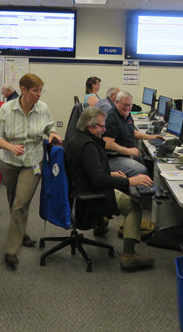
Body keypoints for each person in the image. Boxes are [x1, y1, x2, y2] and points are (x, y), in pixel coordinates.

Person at [66, 107, 155, 270]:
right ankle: (128, 256)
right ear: (90, 126)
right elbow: (99, 180)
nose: (104, 129)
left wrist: (111, 173)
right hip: (92, 193)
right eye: (101, 126)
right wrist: (130, 181)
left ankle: (101, 222)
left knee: (122, 185)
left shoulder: (76, 139)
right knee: (133, 206)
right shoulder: (89, 147)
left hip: (80, 188)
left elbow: (89, 171)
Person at [0, 73, 62, 270]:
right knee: (14, 201)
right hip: (9, 161)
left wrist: (53, 135)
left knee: (20, 203)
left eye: (40, 90)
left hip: (33, 161)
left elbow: (49, 127)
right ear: (23, 90)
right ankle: (21, 233)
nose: (39, 94)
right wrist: (9, 146)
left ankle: (11, 250)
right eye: (35, 90)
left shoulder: (43, 108)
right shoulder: (7, 109)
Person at [103, 91, 163, 177]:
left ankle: (148, 187)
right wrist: (128, 151)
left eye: (129, 105)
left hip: (125, 153)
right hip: (113, 157)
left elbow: (132, 131)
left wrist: (151, 137)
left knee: (149, 162)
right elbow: (108, 143)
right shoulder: (111, 117)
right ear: (116, 102)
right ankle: (137, 188)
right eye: (125, 105)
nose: (127, 108)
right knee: (142, 170)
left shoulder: (126, 115)